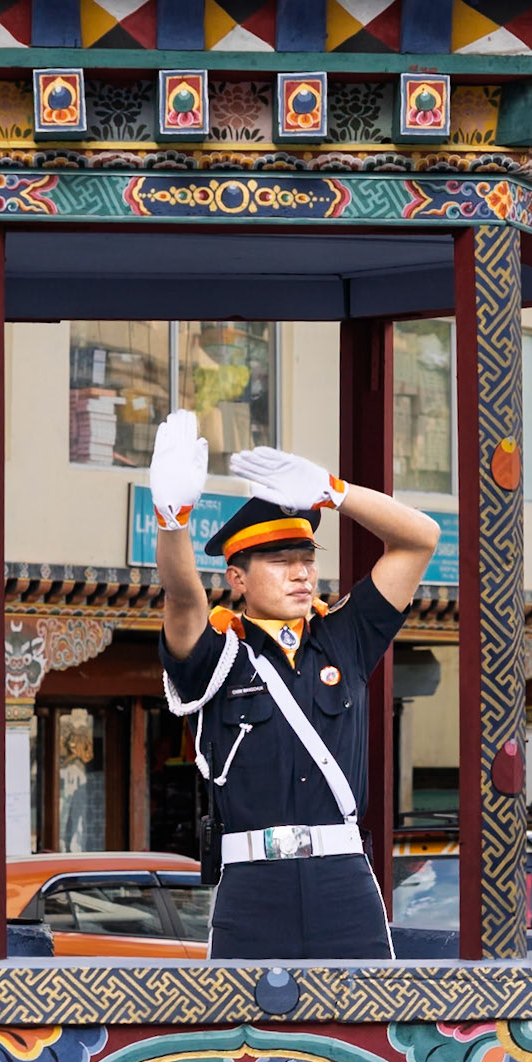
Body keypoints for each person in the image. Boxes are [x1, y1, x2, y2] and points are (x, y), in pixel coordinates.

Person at [151, 410, 439, 960]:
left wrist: (335, 492)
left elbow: (419, 539)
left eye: (307, 560)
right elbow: (183, 596)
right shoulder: (220, 654)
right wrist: (172, 521)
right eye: (281, 562)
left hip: (344, 881)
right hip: (252, 885)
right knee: (242, 1041)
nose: (302, 573)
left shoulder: (343, 638)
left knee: (368, 1031)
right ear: (237, 578)